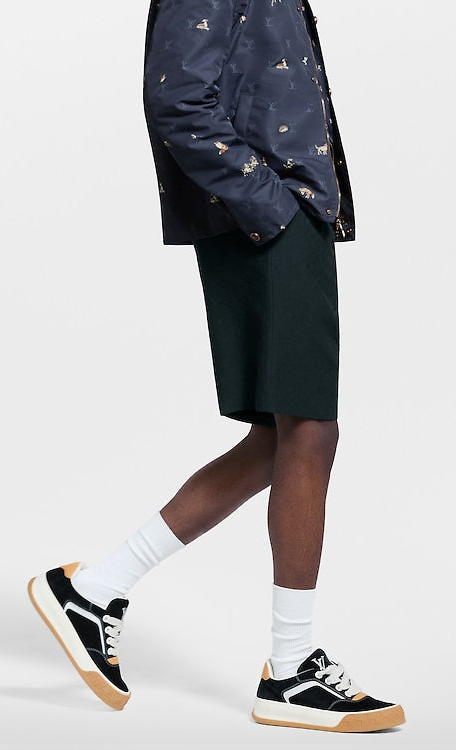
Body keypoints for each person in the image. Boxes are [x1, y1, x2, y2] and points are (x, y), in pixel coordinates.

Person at [28, 0, 405, 733]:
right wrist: (274, 206)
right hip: (268, 215)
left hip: (283, 212)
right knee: (308, 430)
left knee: (283, 438)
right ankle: (291, 671)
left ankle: (94, 591)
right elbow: (176, 97)